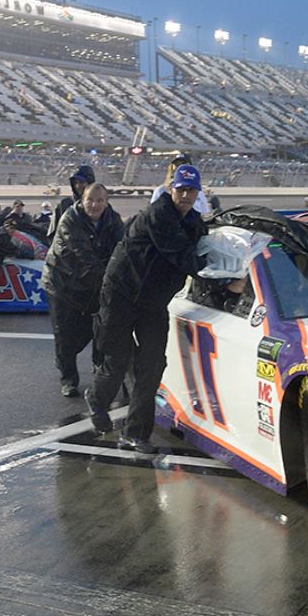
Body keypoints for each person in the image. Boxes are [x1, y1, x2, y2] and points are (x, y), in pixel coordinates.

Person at [86, 164, 207, 454]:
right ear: (171, 189)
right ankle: (97, 397)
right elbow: (186, 257)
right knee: (117, 360)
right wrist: (227, 274)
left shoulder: (193, 221)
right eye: (182, 189)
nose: (186, 195)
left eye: (192, 190)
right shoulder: (159, 215)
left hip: (153, 301)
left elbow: (206, 240)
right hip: (121, 294)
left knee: (152, 365)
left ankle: (135, 434)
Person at [43, 183, 124, 397]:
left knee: (101, 329)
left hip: (93, 283)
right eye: (90, 200)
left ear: (106, 202)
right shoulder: (70, 219)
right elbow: (84, 256)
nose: (95, 205)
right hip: (62, 283)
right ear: (82, 199)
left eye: (100, 200)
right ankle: (68, 378)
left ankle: (100, 372)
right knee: (65, 334)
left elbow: (122, 249)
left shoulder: (113, 219)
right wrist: (112, 279)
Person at [49, 165, 96, 237]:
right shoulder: (64, 205)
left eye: (81, 182)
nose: (78, 186)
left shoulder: (100, 206)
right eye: (75, 183)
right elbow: (53, 234)